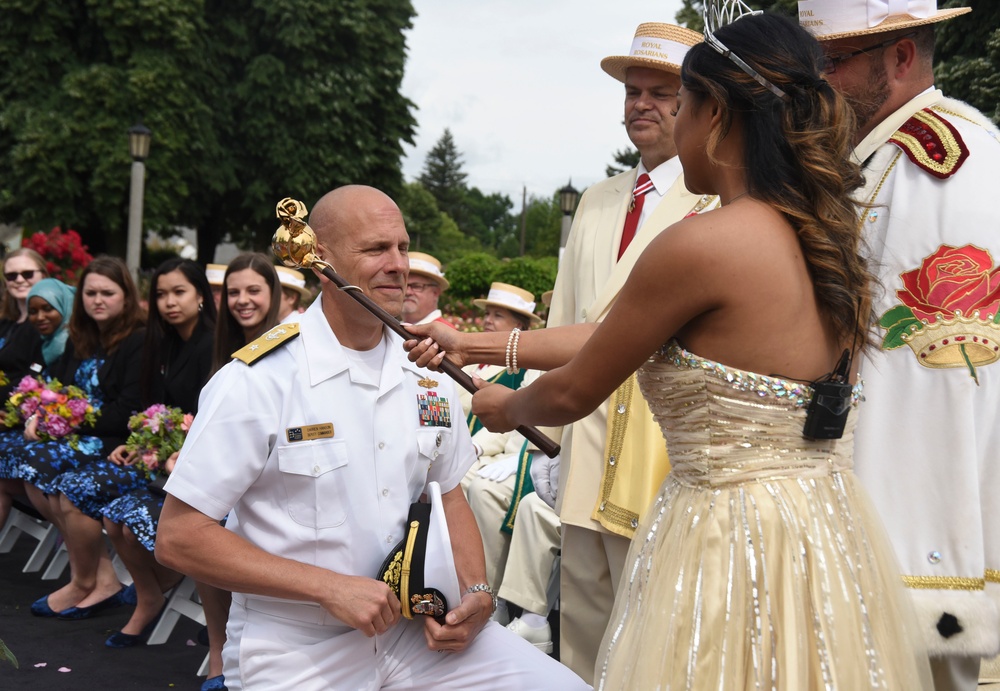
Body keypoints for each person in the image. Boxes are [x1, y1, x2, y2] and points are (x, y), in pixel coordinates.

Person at [408, 11, 934, 689]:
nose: (676, 122)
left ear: (715, 115)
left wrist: (507, 407)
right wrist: (480, 340)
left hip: (726, 532)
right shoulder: (828, 237)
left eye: (682, 104)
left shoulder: (700, 244)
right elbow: (619, 332)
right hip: (824, 527)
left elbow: (576, 389)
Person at [154, 185, 587, 690]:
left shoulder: (427, 373)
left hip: (415, 633)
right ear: (322, 263)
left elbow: (448, 494)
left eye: (402, 247)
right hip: (297, 646)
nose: (398, 264)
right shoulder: (258, 380)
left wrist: (476, 592)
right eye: (376, 250)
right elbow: (179, 537)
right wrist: (326, 588)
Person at [797, 2, 1000, 689]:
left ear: (902, 58)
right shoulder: (882, 154)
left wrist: (919, 570)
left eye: (834, 62)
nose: (816, 81)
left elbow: (942, 383)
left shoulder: (947, 162)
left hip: (909, 533)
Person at [538, 21, 711, 682]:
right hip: (582, 444)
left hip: (662, 451)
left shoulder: (715, 198)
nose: (640, 103)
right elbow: (563, 320)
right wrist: (546, 440)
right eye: (631, 90)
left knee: (656, 635)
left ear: (693, 102)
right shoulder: (597, 198)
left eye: (659, 91)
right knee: (581, 628)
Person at [12, 256, 146, 618]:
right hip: (80, 434)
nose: (98, 300)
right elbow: (65, 390)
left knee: (56, 476)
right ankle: (98, 576)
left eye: (108, 292)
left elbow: (127, 411)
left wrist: (68, 422)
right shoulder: (81, 336)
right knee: (31, 464)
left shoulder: (138, 339)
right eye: (91, 293)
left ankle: (84, 579)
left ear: (125, 296)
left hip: (113, 439)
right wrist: (45, 417)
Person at [99, 259, 216, 650]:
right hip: (165, 460)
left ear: (200, 295)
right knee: (114, 520)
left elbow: (209, 419)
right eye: (161, 294)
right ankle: (151, 594)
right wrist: (137, 444)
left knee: (130, 524)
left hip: (199, 464)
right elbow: (155, 409)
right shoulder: (164, 343)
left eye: (179, 292)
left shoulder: (211, 343)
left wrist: (177, 450)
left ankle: (157, 589)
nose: (169, 303)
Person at [0, 276, 73, 529]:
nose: (40, 317)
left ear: (63, 307)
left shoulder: (70, 344)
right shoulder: (42, 342)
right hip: (33, 429)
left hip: (60, 436)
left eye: (48, 309)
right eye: (33, 312)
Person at [211, 253, 281, 372]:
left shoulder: (284, 352)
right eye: (233, 292)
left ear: (273, 293)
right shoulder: (223, 346)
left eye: (253, 291)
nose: (242, 300)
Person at [0, 248, 48, 400]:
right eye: (11, 276)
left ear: (44, 275)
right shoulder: (6, 323)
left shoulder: (46, 324)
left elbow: (33, 378)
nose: (19, 280)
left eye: (28, 274)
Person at [401, 251, 454, 327]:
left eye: (416, 286)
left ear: (435, 292)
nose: (407, 292)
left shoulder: (446, 335)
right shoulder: (389, 330)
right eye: (403, 285)